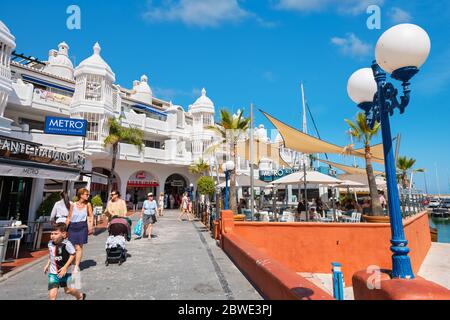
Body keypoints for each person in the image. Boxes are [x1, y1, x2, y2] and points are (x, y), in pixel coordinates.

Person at [44, 223, 86, 300]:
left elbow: (73, 254)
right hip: (53, 273)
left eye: (56, 234)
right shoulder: (50, 243)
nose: (52, 235)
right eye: (51, 233)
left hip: (66, 272)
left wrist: (65, 267)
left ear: (63, 234)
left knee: (67, 290)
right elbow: (51, 254)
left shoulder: (67, 244)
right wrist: (47, 264)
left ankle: (80, 296)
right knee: (52, 296)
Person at [66, 188, 94, 271]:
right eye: (86, 194)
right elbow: (69, 217)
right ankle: (73, 261)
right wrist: (64, 228)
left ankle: (76, 266)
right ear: (81, 195)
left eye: (88, 194)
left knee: (79, 247)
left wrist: (91, 227)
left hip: (82, 227)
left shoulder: (88, 205)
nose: (88, 196)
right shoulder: (73, 204)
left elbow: (91, 216)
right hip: (72, 227)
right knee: (71, 246)